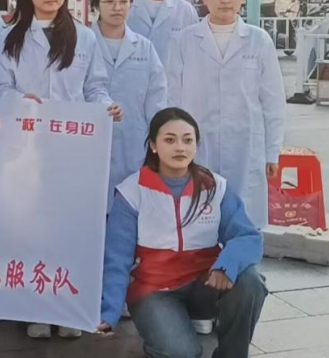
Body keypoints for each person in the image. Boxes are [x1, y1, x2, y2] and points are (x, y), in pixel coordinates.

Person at [0, 0, 122, 340]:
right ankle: (35, 307)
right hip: (27, 145)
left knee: (71, 228)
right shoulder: (9, 38)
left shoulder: (83, 36)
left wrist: (106, 106)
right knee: (32, 226)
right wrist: (19, 100)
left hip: (73, 148)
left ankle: (68, 308)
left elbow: (94, 87)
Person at [98, 107, 267, 358]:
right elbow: (116, 259)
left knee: (250, 281)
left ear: (196, 146)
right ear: (153, 145)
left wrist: (226, 265)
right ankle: (163, 337)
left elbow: (248, 236)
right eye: (170, 140)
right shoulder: (132, 192)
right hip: (154, 292)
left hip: (204, 284)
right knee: (181, 353)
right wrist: (109, 313)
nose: (180, 147)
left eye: (187, 140)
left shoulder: (214, 187)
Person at [167, 0, 286, 227]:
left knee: (244, 214)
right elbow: (171, 98)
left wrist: (272, 152)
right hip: (198, 142)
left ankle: (241, 251)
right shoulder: (184, 41)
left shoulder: (259, 40)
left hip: (246, 143)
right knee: (199, 213)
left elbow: (273, 101)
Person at [90, 0, 167, 203]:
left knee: (130, 203)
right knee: (90, 202)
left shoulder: (144, 47)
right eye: (109, 1)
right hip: (90, 137)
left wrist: (159, 137)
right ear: (96, 4)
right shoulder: (82, 42)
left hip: (134, 141)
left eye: (124, 1)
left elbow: (157, 96)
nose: (117, 7)